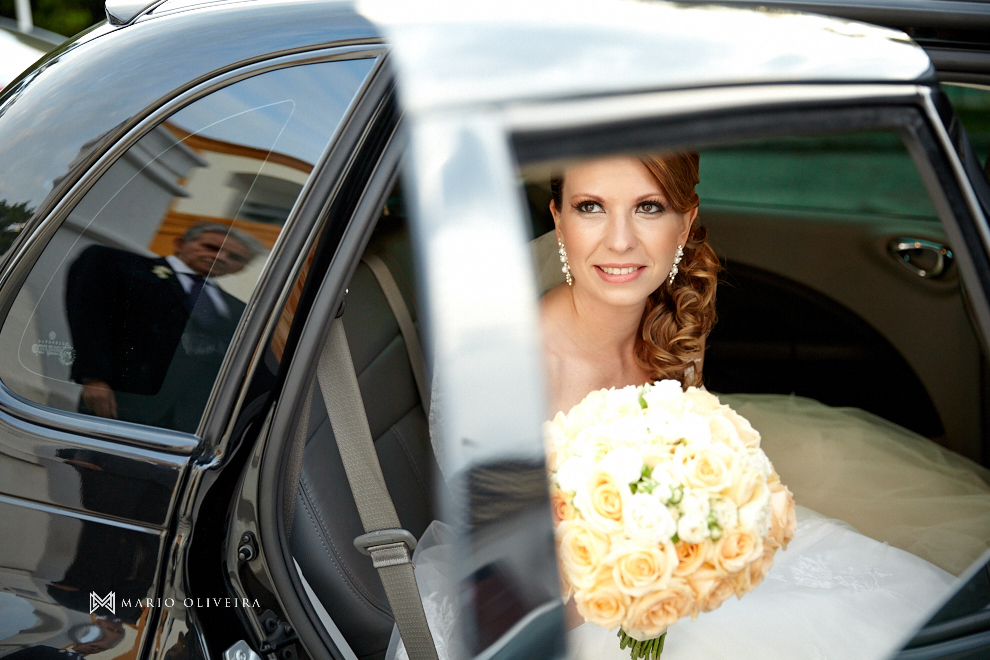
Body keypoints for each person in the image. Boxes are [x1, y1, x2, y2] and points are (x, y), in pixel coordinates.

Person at [386, 152, 990, 660]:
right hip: (568, 613)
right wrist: (652, 579)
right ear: (558, 218)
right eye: (590, 206)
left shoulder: (670, 323)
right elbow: (508, 599)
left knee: (897, 610)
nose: (619, 239)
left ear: (685, 220)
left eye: (648, 207)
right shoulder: (506, 373)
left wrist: (705, 531)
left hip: (680, 569)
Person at [65, 223, 259, 433]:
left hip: (190, 425)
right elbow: (90, 320)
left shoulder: (241, 310)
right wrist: (94, 379)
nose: (221, 258)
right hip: (120, 405)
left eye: (235, 257)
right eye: (211, 247)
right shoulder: (120, 265)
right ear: (180, 243)